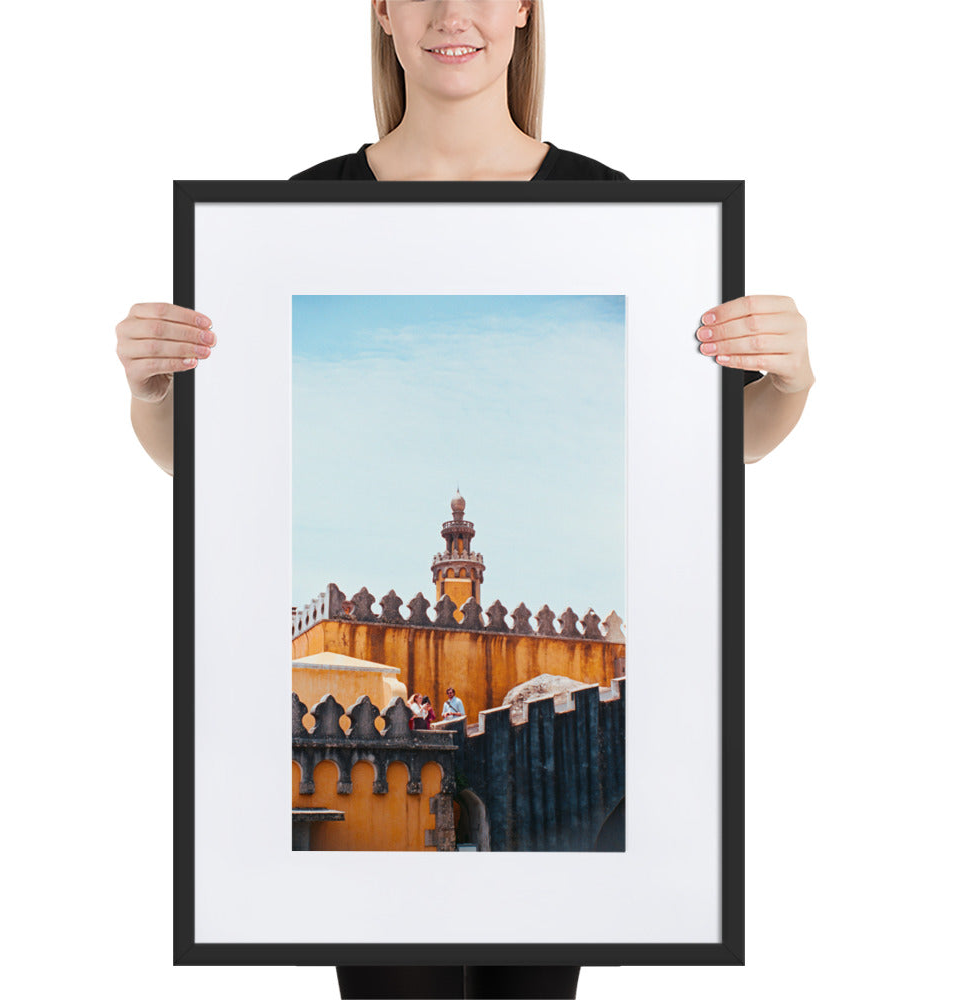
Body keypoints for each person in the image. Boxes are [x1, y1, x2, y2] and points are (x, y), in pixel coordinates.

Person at [115, 3, 814, 995]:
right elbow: (215, 471)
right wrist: (151, 393)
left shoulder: (610, 208)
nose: (455, 14)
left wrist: (786, 383)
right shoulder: (299, 213)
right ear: (383, 12)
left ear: (525, 9)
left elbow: (704, 457)